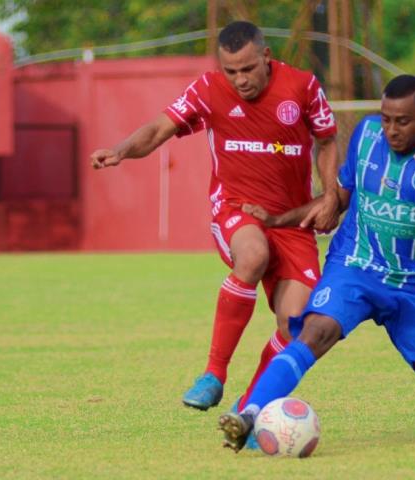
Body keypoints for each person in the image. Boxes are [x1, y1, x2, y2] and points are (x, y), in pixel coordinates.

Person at [218, 74, 415, 452]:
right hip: (354, 266)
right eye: (387, 118)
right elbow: (338, 199)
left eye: (403, 121)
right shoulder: (366, 135)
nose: (391, 129)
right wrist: (281, 220)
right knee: (314, 331)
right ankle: (249, 415)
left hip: (412, 285)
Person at [90, 21, 340, 411]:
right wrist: (121, 150)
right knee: (253, 255)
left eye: (248, 69)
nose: (240, 80)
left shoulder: (303, 87)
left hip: (291, 222)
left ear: (266, 57)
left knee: (296, 327)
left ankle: (250, 409)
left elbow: (326, 141)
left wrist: (330, 195)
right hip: (235, 209)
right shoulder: (208, 89)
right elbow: (159, 129)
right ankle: (213, 374)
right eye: (232, 71)